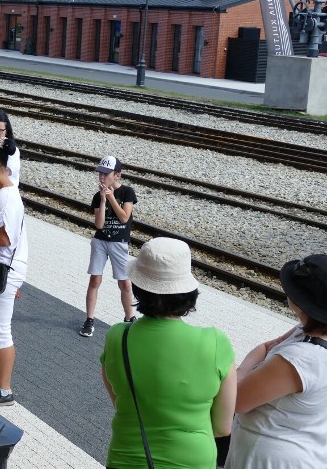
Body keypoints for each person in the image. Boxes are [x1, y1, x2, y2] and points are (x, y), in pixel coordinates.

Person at [100, 237, 236, 468]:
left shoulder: (117, 337)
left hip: (127, 458)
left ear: (138, 288)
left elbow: (121, 401)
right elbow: (223, 428)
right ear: (188, 290)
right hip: (192, 461)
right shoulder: (215, 342)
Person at [225, 254, 327, 469]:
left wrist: (240, 371)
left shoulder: (299, 360)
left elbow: (237, 400)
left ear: (300, 302)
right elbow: (267, 347)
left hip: (268, 458)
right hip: (307, 449)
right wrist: (254, 363)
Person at [0, 137, 28, 406]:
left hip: (4, 270)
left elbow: (3, 239)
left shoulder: (7, 197)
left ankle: (5, 390)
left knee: (0, 330)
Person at [80, 156, 137, 338]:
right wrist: (103, 201)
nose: (102, 177)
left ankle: (130, 319)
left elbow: (124, 217)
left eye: (106, 174)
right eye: (100, 173)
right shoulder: (98, 196)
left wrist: (111, 197)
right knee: (94, 280)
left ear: (117, 175)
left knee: (124, 283)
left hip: (119, 243)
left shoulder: (127, 193)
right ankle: (89, 319)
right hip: (101, 241)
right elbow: (99, 225)